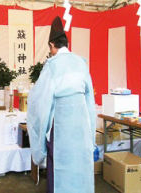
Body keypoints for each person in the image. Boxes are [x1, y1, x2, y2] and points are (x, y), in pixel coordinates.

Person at [27, 16, 96, 193]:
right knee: (79, 165)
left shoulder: (52, 65)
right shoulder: (81, 63)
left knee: (59, 167)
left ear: (52, 45)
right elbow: (90, 101)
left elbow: (41, 102)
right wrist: (91, 135)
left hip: (61, 127)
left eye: (50, 48)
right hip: (81, 126)